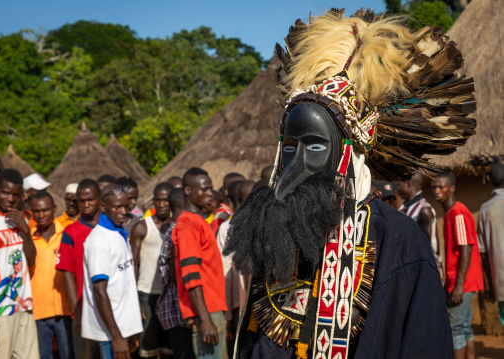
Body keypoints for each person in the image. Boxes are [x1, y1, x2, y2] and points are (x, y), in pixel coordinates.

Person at [223, 8, 476, 358]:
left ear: (349, 152)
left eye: (314, 146)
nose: (296, 165)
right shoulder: (273, 231)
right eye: (290, 147)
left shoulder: (399, 244)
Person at [82, 184, 142, 358]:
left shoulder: (118, 233)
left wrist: (131, 327)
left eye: (126, 206)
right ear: (103, 207)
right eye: (117, 207)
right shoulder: (99, 241)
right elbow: (100, 290)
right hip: (109, 333)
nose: (123, 211)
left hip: (122, 328)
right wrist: (116, 336)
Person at [173, 167, 228, 359]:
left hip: (211, 310)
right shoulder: (188, 224)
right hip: (207, 312)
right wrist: (205, 320)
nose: (209, 193)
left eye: (210, 189)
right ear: (188, 191)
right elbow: (191, 275)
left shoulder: (198, 221)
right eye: (204, 189)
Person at [432, 172, 484, 359]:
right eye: (434, 187)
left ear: (452, 188)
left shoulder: (458, 212)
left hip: (463, 282)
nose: (436, 191)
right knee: (464, 328)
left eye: (441, 187)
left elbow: (465, 247)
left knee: (456, 330)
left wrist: (459, 284)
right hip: (459, 281)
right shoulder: (450, 213)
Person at [56, 178, 102, 359]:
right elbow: (68, 273)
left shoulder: (111, 228)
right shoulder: (71, 233)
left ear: (100, 199)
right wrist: (77, 311)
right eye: (81, 201)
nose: (86, 204)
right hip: (85, 310)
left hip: (111, 309)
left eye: (90, 199)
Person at [0, 168, 39, 358]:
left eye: (15, 195)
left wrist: (26, 230)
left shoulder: (21, 220)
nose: (10, 199)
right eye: (5, 193)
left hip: (24, 306)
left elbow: (30, 260)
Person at [130, 182, 174, 358]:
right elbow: (133, 264)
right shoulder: (142, 227)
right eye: (158, 200)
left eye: (165, 200)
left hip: (169, 294)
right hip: (147, 293)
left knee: (169, 346)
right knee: (148, 346)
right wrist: (134, 299)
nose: (161, 204)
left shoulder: (176, 227)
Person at [29, 191, 73, 359]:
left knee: (68, 354)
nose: (41, 215)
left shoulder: (67, 234)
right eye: (36, 211)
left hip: (65, 309)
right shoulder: (28, 238)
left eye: (45, 210)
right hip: (38, 311)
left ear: (54, 209)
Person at [216, 180, 255, 358]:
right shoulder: (227, 227)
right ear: (239, 202)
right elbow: (224, 269)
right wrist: (228, 311)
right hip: (238, 300)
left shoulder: (264, 225)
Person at [156, 187, 195, 359]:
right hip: (178, 313)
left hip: (178, 312)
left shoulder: (176, 229)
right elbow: (176, 274)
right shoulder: (177, 231)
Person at [400, 172, 443, 277]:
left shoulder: (423, 210)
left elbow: (424, 247)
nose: (398, 187)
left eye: (400, 183)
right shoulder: (405, 208)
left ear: (408, 184)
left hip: (427, 272)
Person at [477, 163, 504, 327]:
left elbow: (483, 252)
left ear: (491, 181)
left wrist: (490, 282)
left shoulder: (485, 209)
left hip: (500, 278)